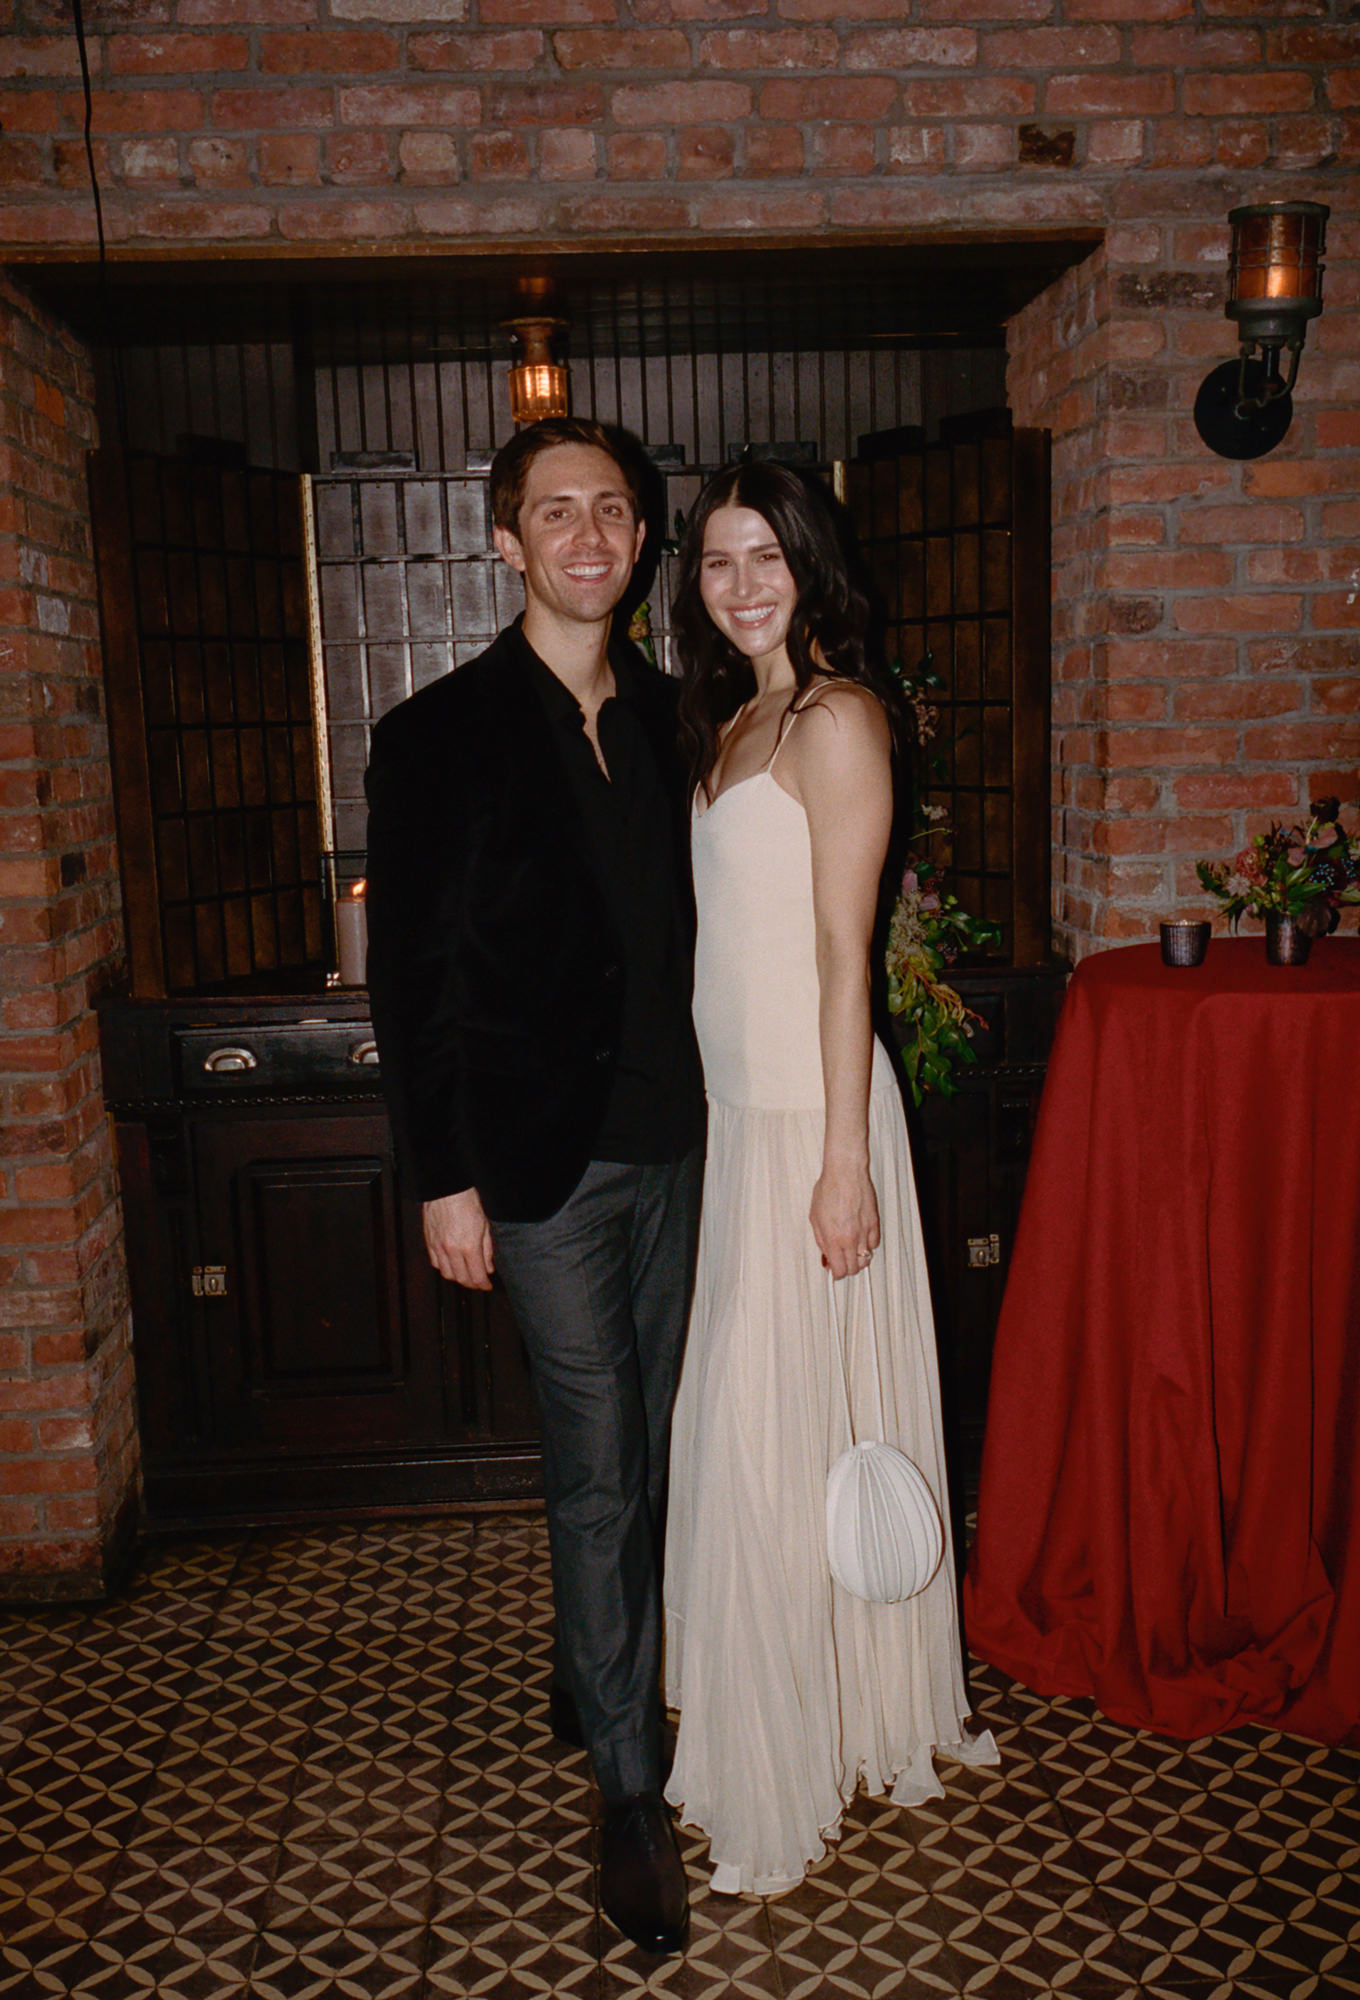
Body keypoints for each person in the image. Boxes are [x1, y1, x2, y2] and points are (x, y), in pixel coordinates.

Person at [364, 417, 705, 1957]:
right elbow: (414, 981)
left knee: (654, 1445)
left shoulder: (681, 720)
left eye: (612, 511)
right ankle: (628, 1798)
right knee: (599, 1463)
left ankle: (590, 1669)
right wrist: (442, 1182)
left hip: (683, 1145)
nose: (588, 535)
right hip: (541, 1169)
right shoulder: (436, 733)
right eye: (556, 512)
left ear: (642, 541)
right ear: (507, 542)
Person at [662, 460, 998, 1896]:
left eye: (766, 557)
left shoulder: (838, 717)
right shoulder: (737, 716)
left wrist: (846, 1162)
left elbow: (844, 956)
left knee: (773, 1431)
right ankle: (809, 1711)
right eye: (717, 561)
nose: (741, 585)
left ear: (811, 564)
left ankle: (801, 1745)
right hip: (743, 1119)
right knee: (763, 1435)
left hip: (816, 1123)